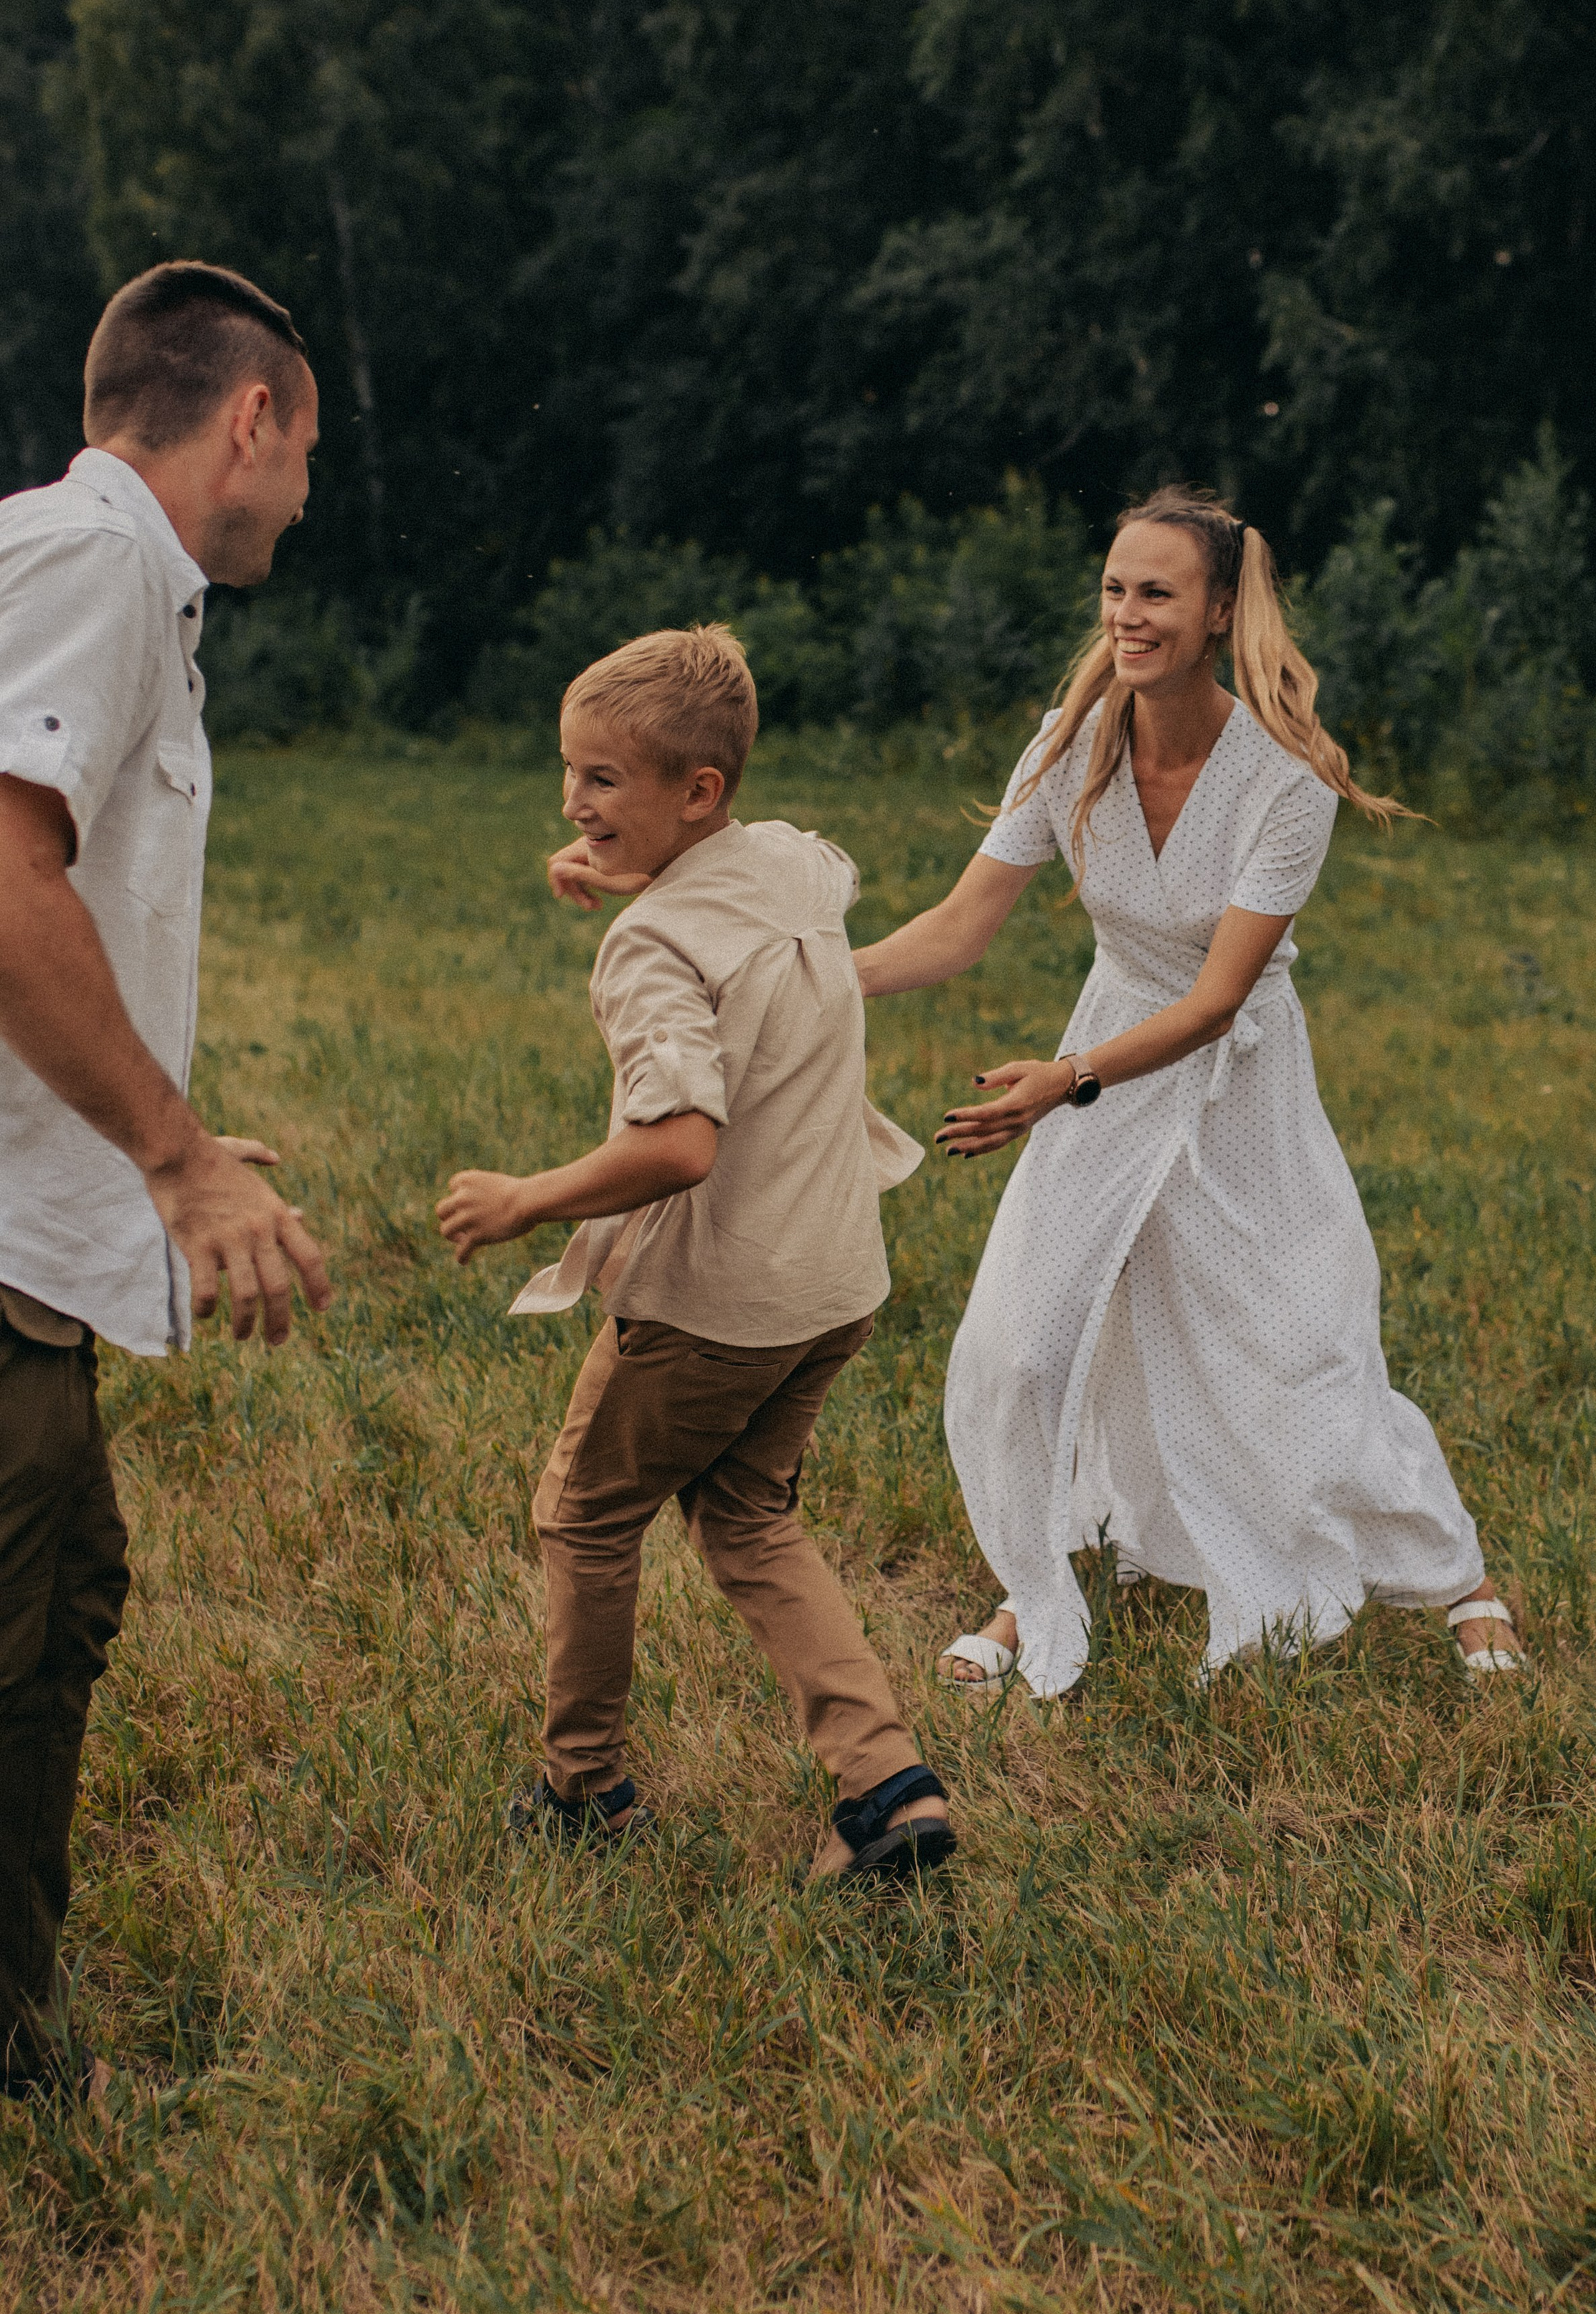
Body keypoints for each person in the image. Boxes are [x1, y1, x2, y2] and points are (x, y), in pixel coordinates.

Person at [855, 485, 1525, 1701]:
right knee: (1024, 1342)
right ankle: (1036, 1582)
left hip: (1230, 1077)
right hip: (1107, 1044)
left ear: (1219, 612)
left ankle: (1458, 1577)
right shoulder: (1071, 747)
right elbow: (959, 926)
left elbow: (1219, 996)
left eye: (1157, 591)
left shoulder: (1287, 776)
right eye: (1115, 588)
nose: (1128, 612)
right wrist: (818, 983)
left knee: (1295, 1355)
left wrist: (1063, 1084)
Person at [436, 625, 955, 1884]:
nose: (573, 800)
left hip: (711, 1306)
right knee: (748, 1518)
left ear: (698, 792)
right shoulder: (785, 864)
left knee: (586, 1516)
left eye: (604, 779)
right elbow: (747, 906)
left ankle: (583, 1788)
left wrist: (527, 1199)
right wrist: (642, 875)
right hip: (832, 1286)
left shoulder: (651, 950)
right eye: (572, 772)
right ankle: (890, 1787)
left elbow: (679, 1144)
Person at [0, 262, 334, 2102]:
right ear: (250, 415)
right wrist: (176, 1156)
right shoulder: (98, 563)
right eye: (306, 452)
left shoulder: (99, 572)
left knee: (68, 1603)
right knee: (25, 1625)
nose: (304, 498)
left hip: (25, 1241)